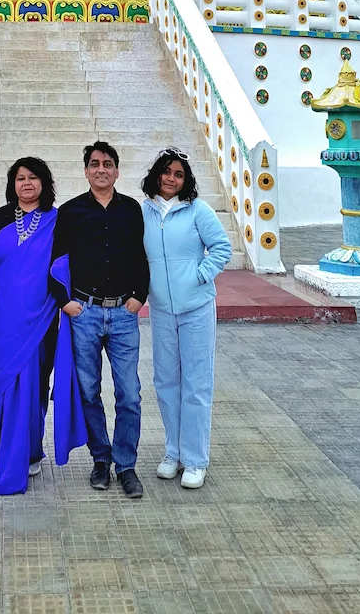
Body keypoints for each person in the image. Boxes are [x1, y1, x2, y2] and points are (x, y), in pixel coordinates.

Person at [0, 157, 86, 495]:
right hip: (3, 319)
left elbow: (65, 263)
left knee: (36, 380)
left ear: (44, 183)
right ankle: (0, 450)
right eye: (20, 178)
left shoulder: (57, 219)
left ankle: (31, 449)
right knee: (1, 382)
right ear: (13, 184)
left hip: (41, 317)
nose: (27, 183)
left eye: (33, 178)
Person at [55, 140, 150, 498]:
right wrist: (65, 302)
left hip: (124, 315)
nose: (101, 169)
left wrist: (139, 297)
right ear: (85, 170)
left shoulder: (131, 210)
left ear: (117, 170)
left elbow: (143, 257)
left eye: (107, 164)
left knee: (129, 394)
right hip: (86, 312)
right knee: (89, 391)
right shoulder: (71, 211)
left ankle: (126, 465)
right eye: (94, 164)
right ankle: (100, 459)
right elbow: (55, 259)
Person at [141, 147, 231, 490]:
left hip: (195, 308)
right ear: (157, 174)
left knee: (196, 384)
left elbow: (221, 247)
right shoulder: (145, 211)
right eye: (166, 172)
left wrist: (198, 275)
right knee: (166, 382)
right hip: (162, 309)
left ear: (185, 180)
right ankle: (172, 453)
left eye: (178, 174)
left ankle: (195, 459)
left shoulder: (198, 210)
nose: (171, 179)